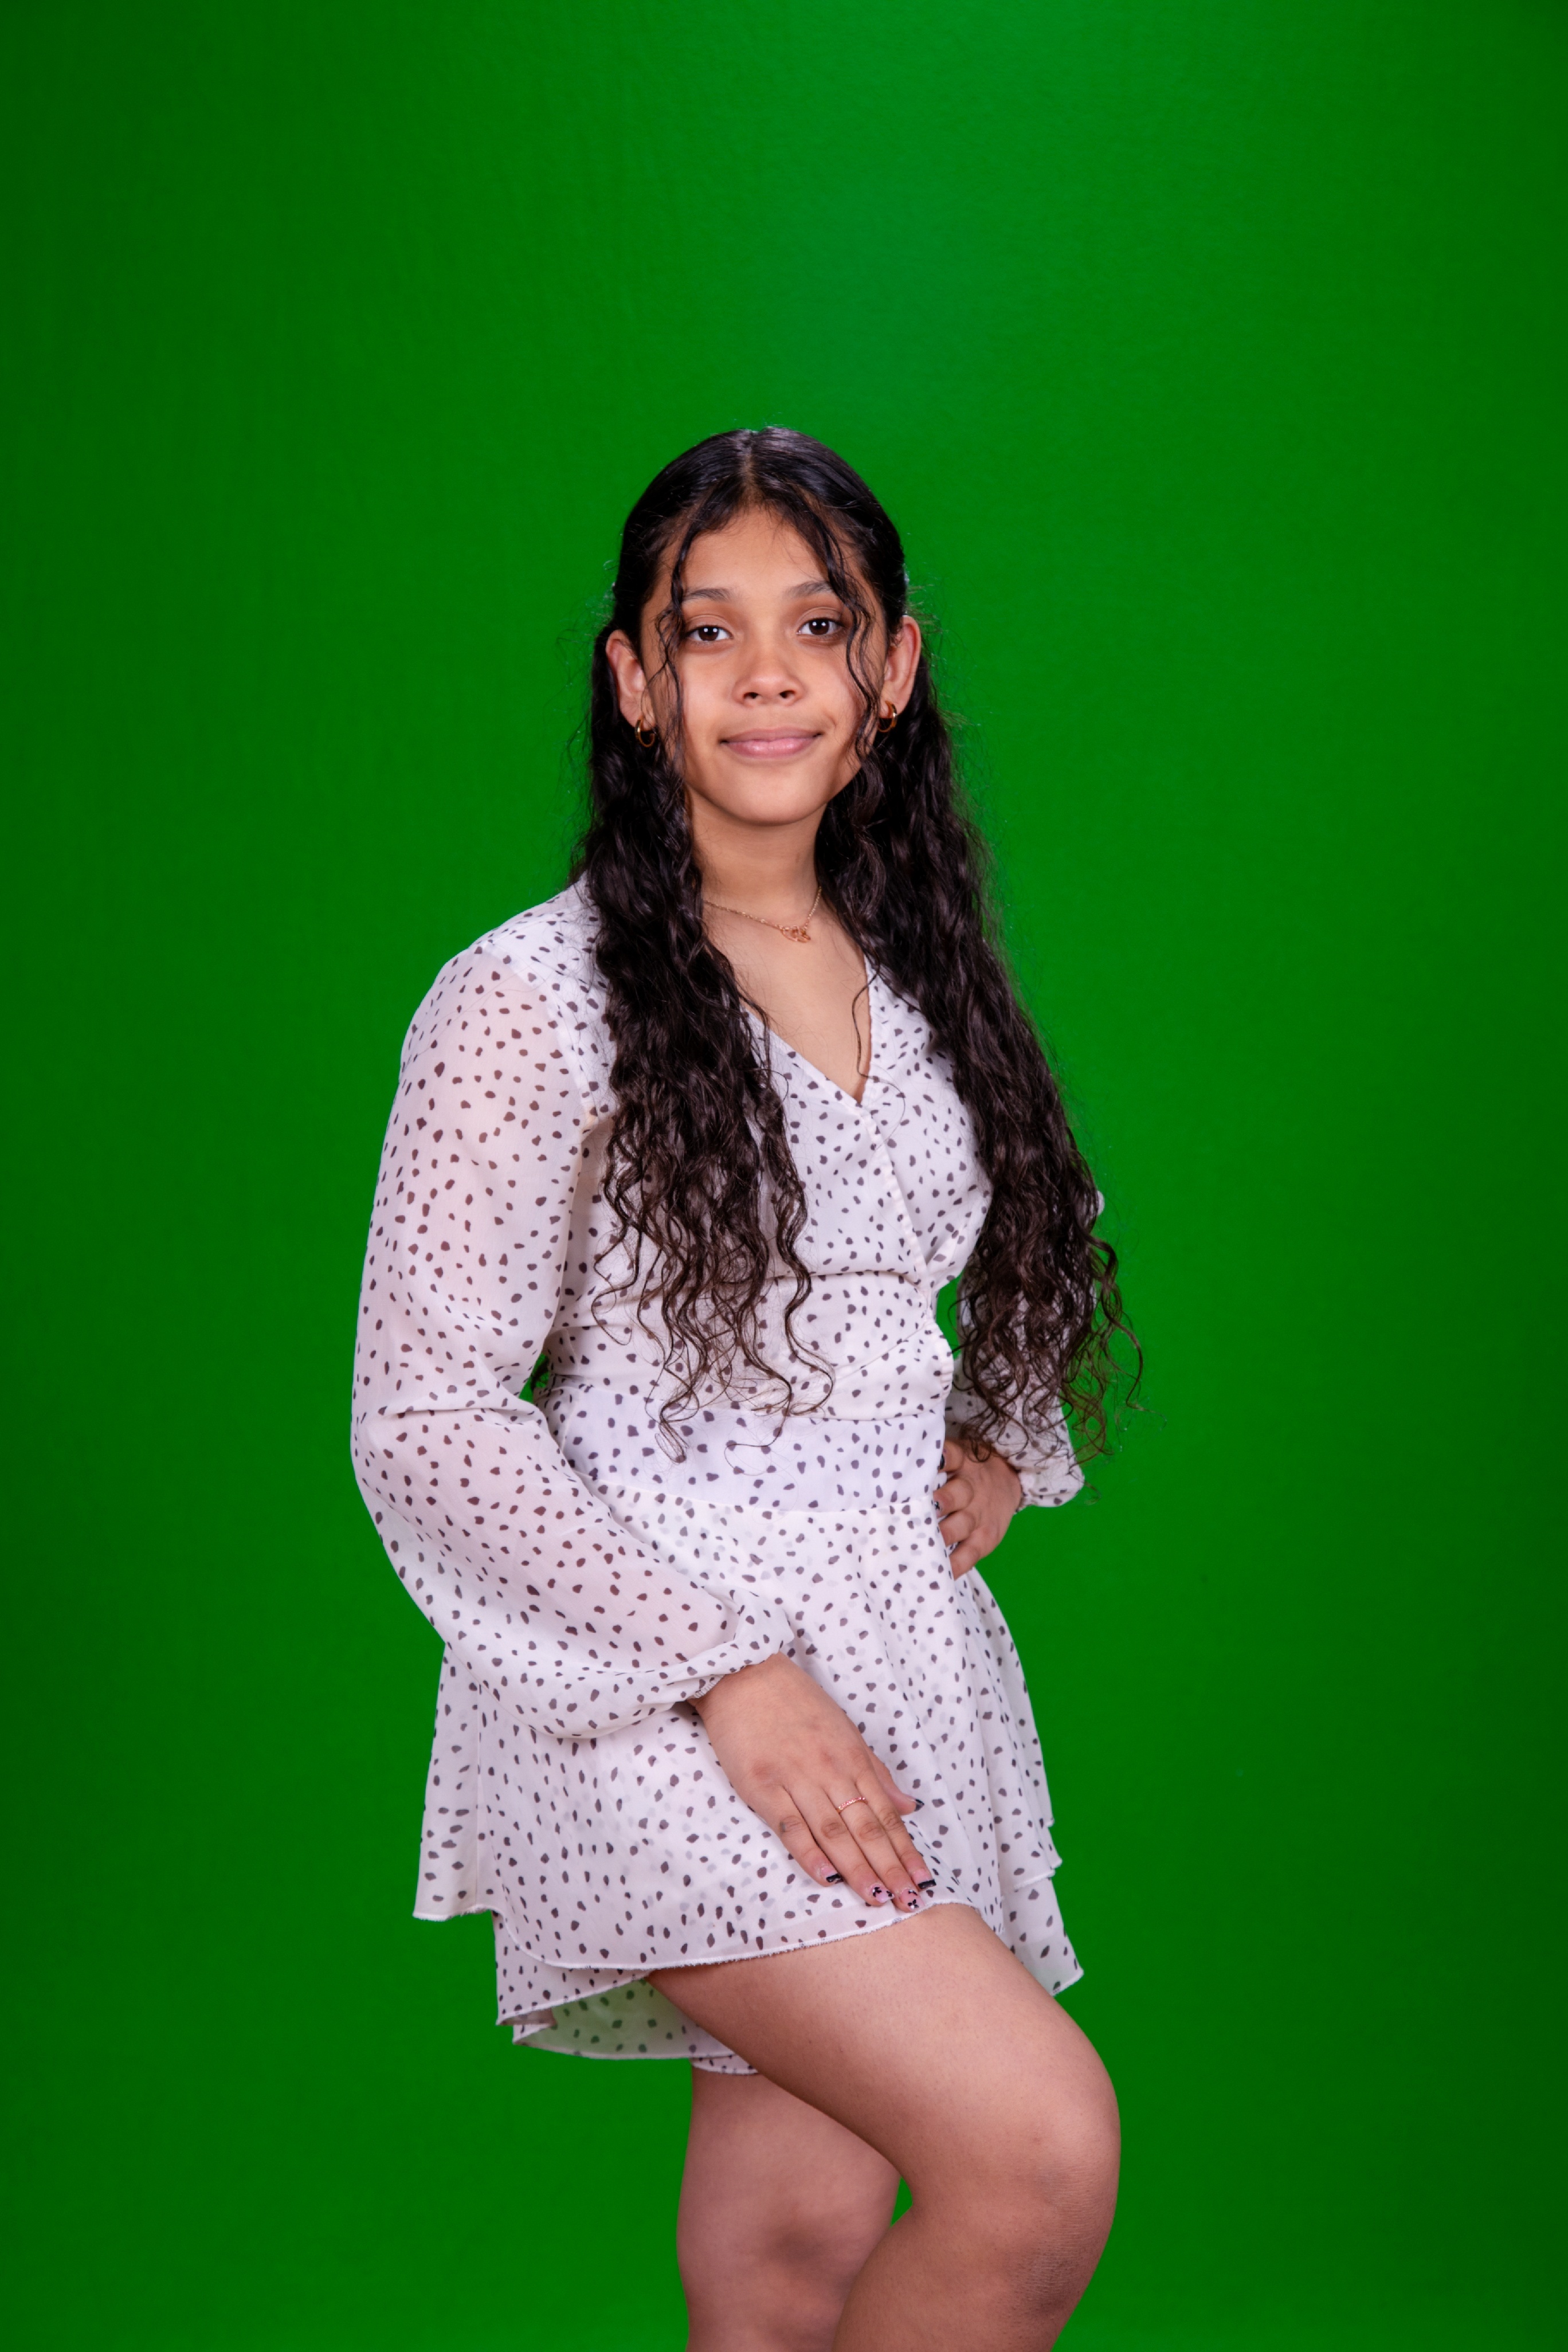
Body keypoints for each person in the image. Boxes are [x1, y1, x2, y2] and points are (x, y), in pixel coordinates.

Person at [352, 428, 1134, 2351]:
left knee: (792, 2260)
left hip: (892, 1670)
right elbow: (427, 1415)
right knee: (1035, 2154)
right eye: (708, 631)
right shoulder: (530, 1000)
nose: (767, 675)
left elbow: (1045, 1227)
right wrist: (728, 1669)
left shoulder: (923, 980)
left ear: (895, 668)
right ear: (635, 680)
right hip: (660, 1689)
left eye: (819, 625)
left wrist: (999, 1444)